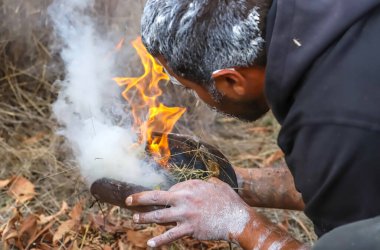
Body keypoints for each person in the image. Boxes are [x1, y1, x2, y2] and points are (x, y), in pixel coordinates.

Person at [125, 0, 380, 249]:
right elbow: (337, 182)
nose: (195, 97)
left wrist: (240, 223)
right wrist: (229, 179)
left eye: (188, 87)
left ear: (233, 81)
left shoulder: (333, 126)